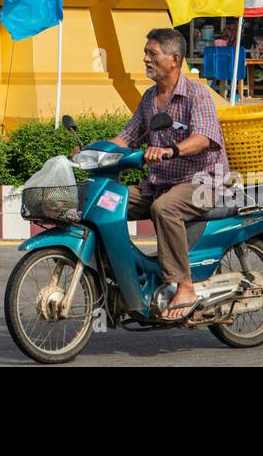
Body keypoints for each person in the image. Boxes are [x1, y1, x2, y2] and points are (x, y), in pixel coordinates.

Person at [109, 28, 228, 322]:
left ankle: (184, 285)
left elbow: (203, 137)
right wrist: (90, 153)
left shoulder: (196, 94)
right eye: (145, 54)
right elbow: (126, 137)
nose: (146, 59)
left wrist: (170, 151)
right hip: (160, 183)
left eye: (153, 54)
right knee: (110, 201)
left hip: (203, 182)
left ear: (174, 59)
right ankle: (122, 279)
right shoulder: (150, 98)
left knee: (164, 208)